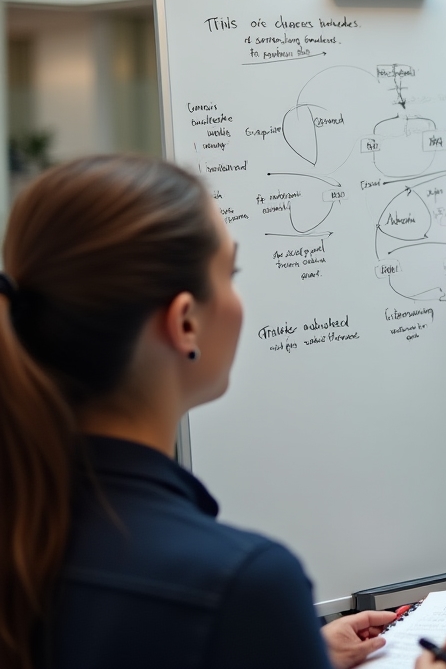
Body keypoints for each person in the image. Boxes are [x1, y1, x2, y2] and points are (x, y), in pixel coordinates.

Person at [0, 155, 395, 669]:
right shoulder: (239, 584)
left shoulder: (28, 534)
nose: (238, 299)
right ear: (184, 322)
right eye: (230, 272)